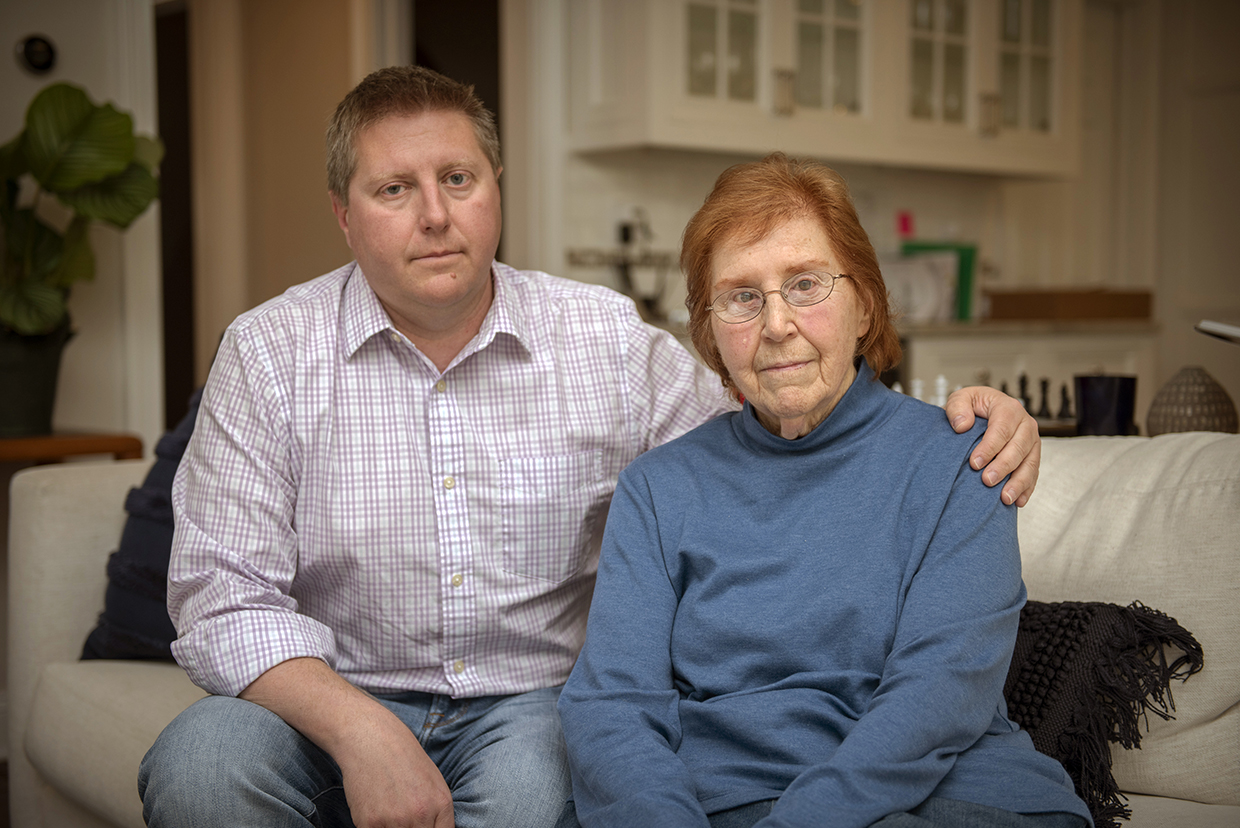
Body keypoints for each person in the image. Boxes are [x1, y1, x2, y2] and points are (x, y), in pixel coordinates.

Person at [138, 67, 1042, 828]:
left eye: (458, 179)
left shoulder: (605, 341)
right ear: (345, 214)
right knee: (201, 766)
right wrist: (366, 733)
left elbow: (778, 416)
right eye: (393, 189)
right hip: (333, 691)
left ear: (496, 188)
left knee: (540, 788)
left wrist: (987, 419)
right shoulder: (267, 352)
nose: (434, 216)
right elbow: (220, 597)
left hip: (522, 706)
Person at [555, 154, 1092, 828]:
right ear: (712, 334)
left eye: (806, 284)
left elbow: (940, 691)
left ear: (865, 304)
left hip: (949, 797)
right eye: (742, 297)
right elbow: (611, 705)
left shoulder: (965, 459)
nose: (776, 324)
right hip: (727, 801)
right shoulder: (658, 490)